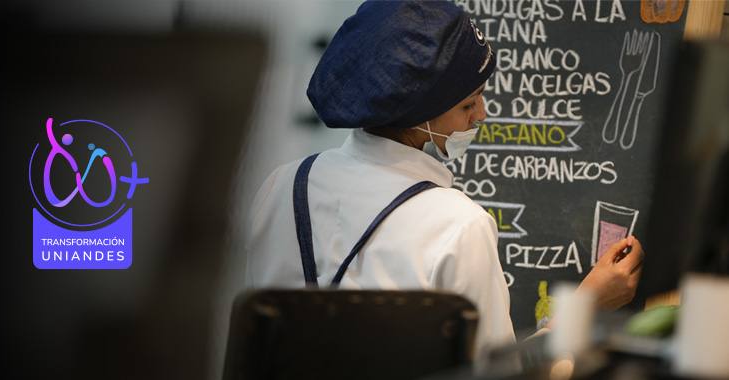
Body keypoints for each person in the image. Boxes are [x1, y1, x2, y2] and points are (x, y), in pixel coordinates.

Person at [244, 0, 643, 364]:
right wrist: (587, 304)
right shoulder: (457, 225)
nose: (482, 115)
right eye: (469, 103)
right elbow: (497, 373)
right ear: (419, 115)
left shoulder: (280, 186)